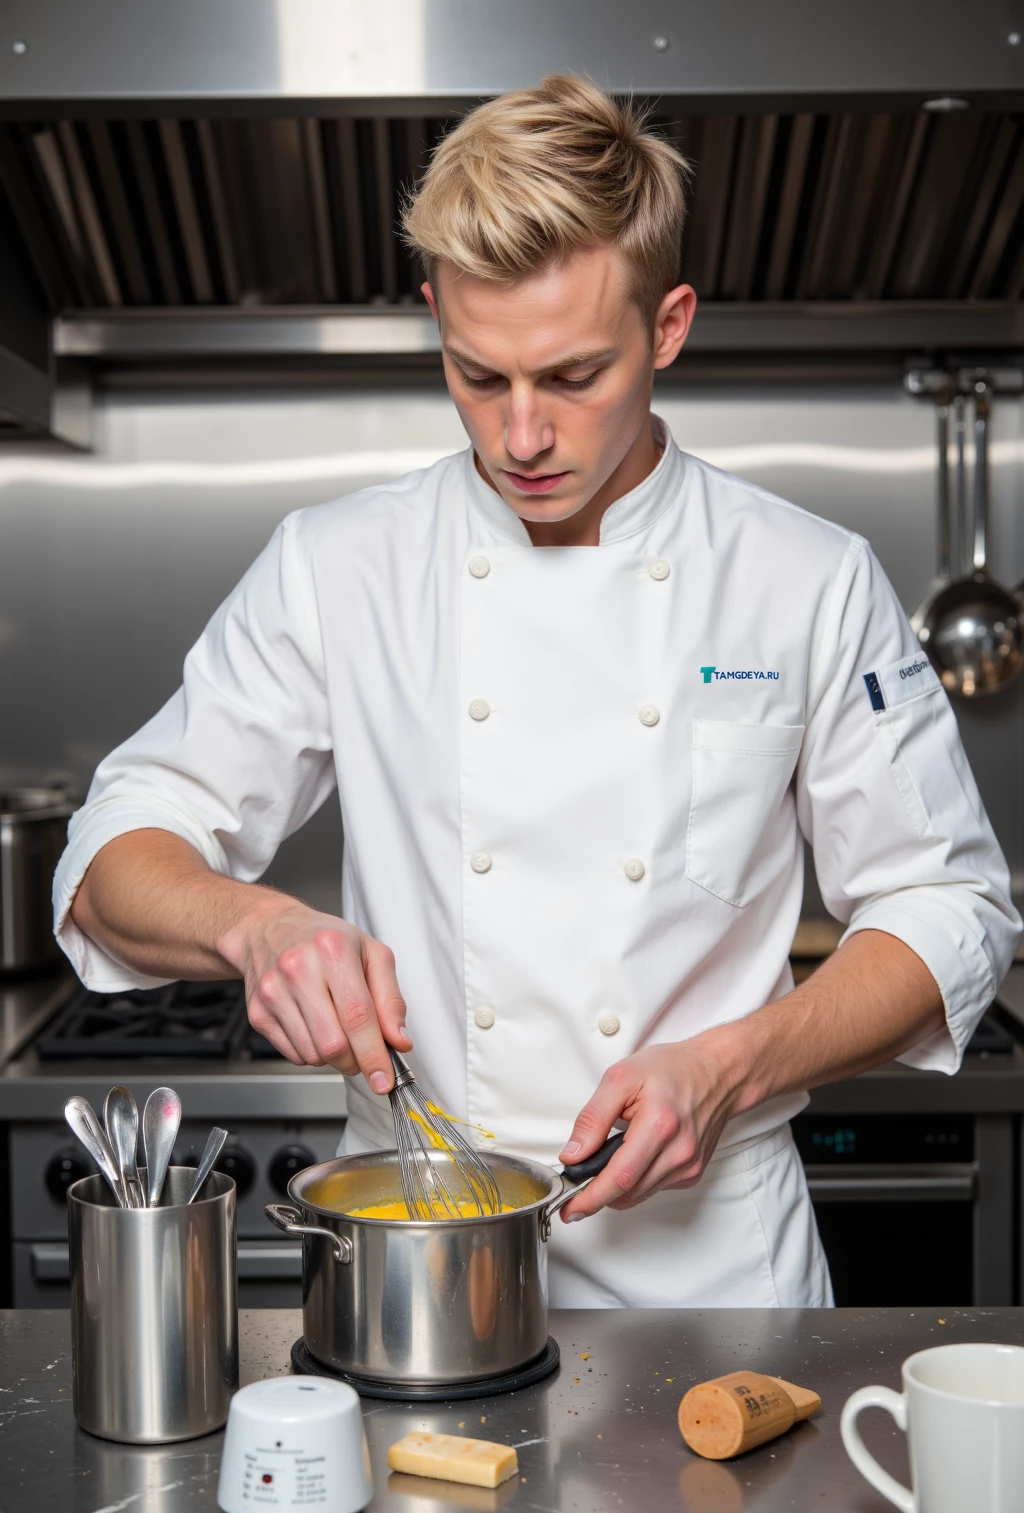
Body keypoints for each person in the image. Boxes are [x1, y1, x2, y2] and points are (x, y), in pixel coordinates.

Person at [54, 76, 1020, 1308]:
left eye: (572, 377)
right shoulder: (340, 564)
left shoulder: (807, 579)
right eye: (475, 374)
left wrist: (731, 1064)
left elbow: (950, 909)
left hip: (712, 1283)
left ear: (668, 326)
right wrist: (261, 928)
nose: (520, 436)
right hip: (410, 1260)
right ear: (434, 319)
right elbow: (109, 852)